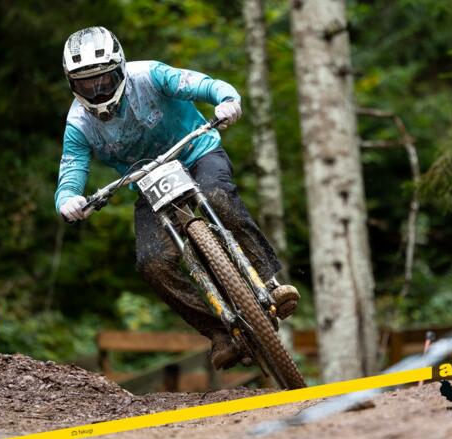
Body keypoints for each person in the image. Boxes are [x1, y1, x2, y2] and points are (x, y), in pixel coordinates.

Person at [55, 27, 299, 369]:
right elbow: (71, 169)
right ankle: (220, 334)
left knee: (217, 196)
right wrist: (68, 199)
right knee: (151, 263)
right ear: (72, 84)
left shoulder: (150, 75)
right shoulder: (79, 124)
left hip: (197, 152)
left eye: (104, 80)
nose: (97, 90)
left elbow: (203, 84)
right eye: (86, 84)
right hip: (147, 181)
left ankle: (269, 282)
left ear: (120, 68)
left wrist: (227, 99)